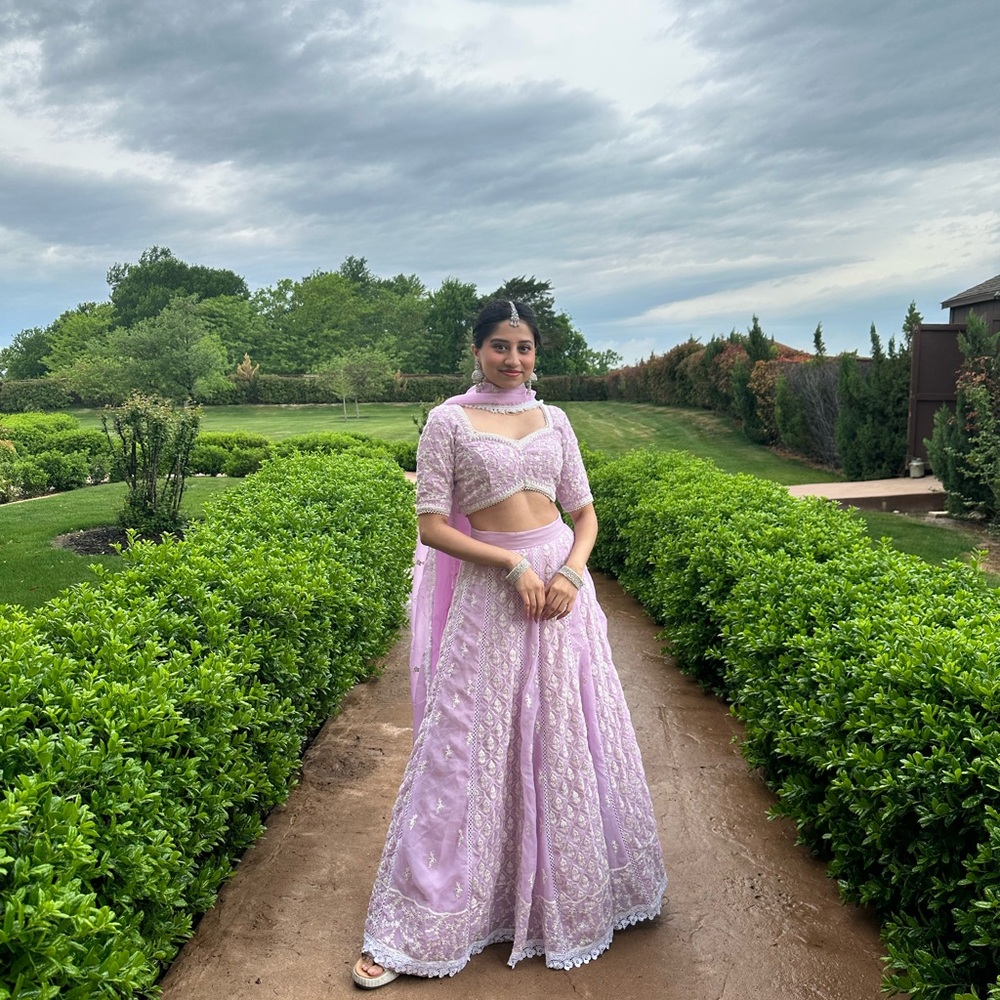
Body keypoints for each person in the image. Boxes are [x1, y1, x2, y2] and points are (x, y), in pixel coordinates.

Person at [353, 299, 666, 988]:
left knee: (565, 734)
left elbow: (583, 512)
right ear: (477, 349)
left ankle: (580, 892)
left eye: (524, 347)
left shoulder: (556, 420)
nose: (513, 359)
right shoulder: (448, 421)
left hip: (561, 596)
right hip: (494, 596)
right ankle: (424, 918)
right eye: (500, 346)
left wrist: (572, 572)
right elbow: (432, 524)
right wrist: (511, 566)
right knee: (466, 745)